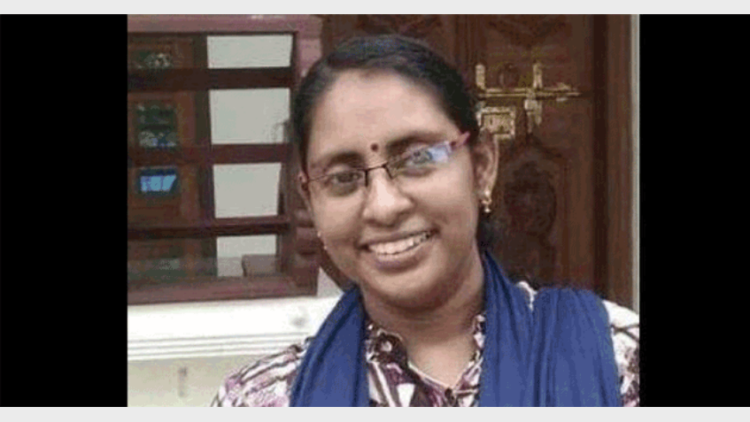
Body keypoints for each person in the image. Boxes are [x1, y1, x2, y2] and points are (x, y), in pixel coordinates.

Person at [211, 34, 639, 407]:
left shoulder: (615, 361)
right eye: (342, 177)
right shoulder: (262, 401)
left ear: (482, 166)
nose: (384, 207)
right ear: (310, 200)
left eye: (417, 158)